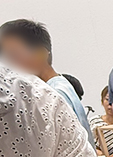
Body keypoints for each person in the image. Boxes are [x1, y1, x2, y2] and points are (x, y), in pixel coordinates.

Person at [0, 20, 95, 150]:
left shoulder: (53, 95)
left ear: (41, 54)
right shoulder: (61, 86)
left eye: (13, 55)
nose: (6, 65)